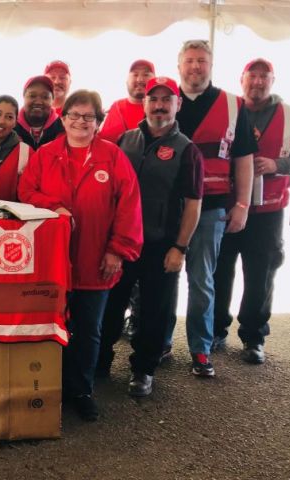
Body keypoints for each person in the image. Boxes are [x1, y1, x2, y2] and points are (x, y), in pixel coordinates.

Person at [18, 90, 142, 421]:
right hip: (52, 261)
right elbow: (26, 192)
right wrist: (52, 206)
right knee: (52, 326)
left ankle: (82, 389)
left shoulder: (113, 157)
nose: (80, 122)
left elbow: (129, 205)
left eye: (88, 117)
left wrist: (118, 249)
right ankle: (50, 386)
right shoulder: (45, 155)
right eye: (74, 115)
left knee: (88, 330)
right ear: (63, 118)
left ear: (99, 122)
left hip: (95, 261)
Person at [99, 77, 204, 396]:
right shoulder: (122, 141)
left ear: (177, 104)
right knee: (111, 305)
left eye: (166, 100)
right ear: (143, 103)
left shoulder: (187, 151)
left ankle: (143, 370)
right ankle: (100, 362)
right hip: (121, 243)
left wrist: (180, 248)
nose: (159, 105)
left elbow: (193, 205)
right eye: (152, 99)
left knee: (155, 311)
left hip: (161, 246)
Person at [213, 58, 290, 364]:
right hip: (227, 205)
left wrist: (278, 165)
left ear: (273, 80)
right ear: (241, 78)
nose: (257, 82)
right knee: (220, 270)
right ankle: (217, 329)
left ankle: (253, 336)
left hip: (269, 211)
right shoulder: (227, 110)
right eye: (252, 76)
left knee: (261, 274)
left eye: (264, 77)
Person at [175, 39, 257, 377]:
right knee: (161, 280)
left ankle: (201, 349)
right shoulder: (165, 101)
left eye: (202, 61)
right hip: (168, 209)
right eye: (190, 61)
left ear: (211, 65)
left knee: (203, 281)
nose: (196, 67)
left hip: (212, 209)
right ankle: (160, 341)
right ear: (180, 65)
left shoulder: (234, 106)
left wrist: (242, 205)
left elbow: (245, 160)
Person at [98, 59, 156, 143]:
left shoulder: (161, 111)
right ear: (127, 81)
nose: (139, 79)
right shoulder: (115, 107)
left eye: (146, 75)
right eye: (135, 75)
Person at [14, 75, 64, 149]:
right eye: (32, 96)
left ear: (52, 100)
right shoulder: (11, 127)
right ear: (24, 96)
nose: (38, 102)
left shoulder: (63, 129)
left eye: (45, 97)